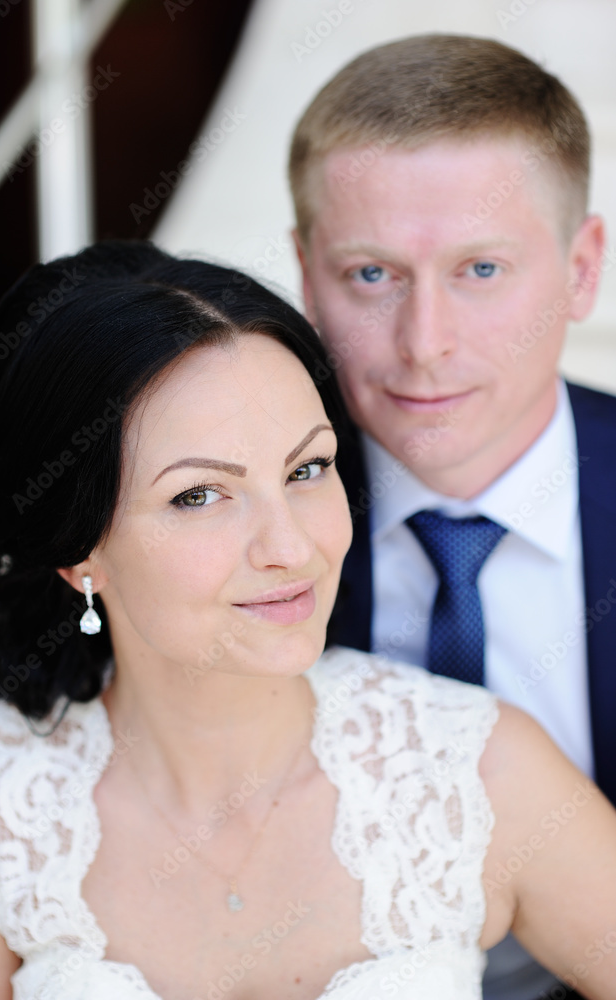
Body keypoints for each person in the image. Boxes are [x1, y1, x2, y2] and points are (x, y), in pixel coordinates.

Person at [0, 242, 615, 1000]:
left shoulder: (477, 771)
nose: (291, 546)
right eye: (199, 495)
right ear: (79, 554)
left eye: (306, 471)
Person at [289, 33, 616, 1000]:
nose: (423, 345)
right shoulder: (215, 506)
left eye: (480, 271)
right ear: (306, 274)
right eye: (370, 275)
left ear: (579, 268)